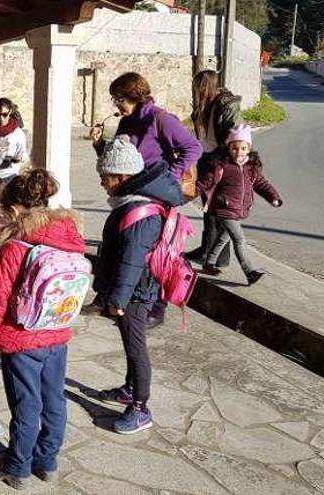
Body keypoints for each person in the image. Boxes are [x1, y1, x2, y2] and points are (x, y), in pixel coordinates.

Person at [0, 169, 85, 490]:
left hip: (22, 339)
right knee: (54, 399)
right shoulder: (69, 238)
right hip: (57, 333)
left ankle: (17, 467)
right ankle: (46, 461)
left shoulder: (16, 248)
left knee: (26, 405)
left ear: (16, 210)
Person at [90, 72, 202, 328]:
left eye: (119, 99)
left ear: (134, 96)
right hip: (130, 189)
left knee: (155, 253)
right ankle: (111, 296)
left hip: (155, 192)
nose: (116, 105)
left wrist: (169, 176)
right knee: (121, 245)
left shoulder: (159, 119)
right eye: (114, 99)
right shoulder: (127, 121)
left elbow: (192, 147)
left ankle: (155, 308)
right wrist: (101, 145)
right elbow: (120, 157)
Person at [91, 136, 184, 434]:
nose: (102, 184)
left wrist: (118, 299)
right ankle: (130, 389)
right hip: (133, 290)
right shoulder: (132, 204)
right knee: (130, 343)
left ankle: (140, 407)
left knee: (136, 348)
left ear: (122, 177)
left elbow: (132, 260)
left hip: (136, 294)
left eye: (105, 178)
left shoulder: (139, 213)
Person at [197, 125, 282, 285]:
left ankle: (209, 263)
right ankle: (249, 271)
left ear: (249, 148)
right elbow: (204, 183)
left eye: (243, 148)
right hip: (224, 208)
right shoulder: (222, 166)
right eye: (235, 148)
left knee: (224, 237)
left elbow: (261, 184)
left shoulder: (251, 167)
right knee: (240, 239)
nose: (239, 152)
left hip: (239, 209)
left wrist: (273, 197)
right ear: (229, 147)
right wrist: (185, 194)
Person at [185, 69, 243, 265]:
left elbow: (237, 134)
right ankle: (207, 248)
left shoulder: (227, 105)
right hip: (206, 156)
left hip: (220, 160)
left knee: (218, 209)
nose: (196, 91)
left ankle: (218, 256)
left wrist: (229, 161)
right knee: (208, 208)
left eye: (199, 87)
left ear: (207, 86)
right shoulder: (205, 104)